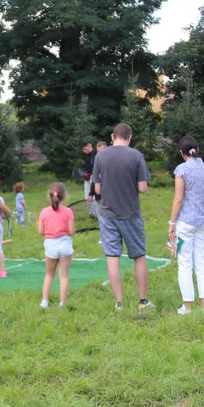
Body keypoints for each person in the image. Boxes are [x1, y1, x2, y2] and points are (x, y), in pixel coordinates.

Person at [92, 123, 152, 311]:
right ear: (130, 137)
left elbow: (97, 189)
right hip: (131, 213)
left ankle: (119, 303)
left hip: (108, 213)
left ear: (112, 136)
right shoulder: (136, 155)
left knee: (112, 257)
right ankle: (143, 301)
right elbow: (143, 188)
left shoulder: (100, 155)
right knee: (139, 256)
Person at [168, 135, 204, 314]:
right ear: (198, 150)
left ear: (182, 152)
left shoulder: (181, 169)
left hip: (185, 221)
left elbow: (178, 198)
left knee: (185, 263)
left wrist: (172, 222)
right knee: (202, 262)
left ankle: (187, 305)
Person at [37, 182, 75, 308]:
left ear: (50, 196)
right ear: (64, 197)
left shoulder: (44, 212)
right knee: (63, 276)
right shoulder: (68, 212)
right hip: (65, 245)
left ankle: (44, 302)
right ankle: (62, 303)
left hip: (50, 245)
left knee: (49, 275)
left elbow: (40, 232)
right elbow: (72, 232)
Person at [88, 142, 107, 207]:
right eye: (98, 152)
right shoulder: (96, 164)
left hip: (107, 196)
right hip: (98, 196)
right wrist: (91, 194)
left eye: (101, 151)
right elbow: (94, 180)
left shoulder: (109, 164)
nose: (99, 154)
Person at [82, 142, 97, 218]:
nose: (84, 151)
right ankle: (92, 214)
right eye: (83, 149)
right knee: (86, 197)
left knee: (93, 196)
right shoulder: (87, 156)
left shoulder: (95, 153)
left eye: (85, 149)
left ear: (89, 146)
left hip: (95, 177)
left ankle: (96, 213)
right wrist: (85, 174)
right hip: (88, 178)